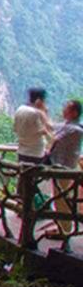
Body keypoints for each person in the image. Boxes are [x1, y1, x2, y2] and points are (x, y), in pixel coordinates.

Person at [40, 99, 83, 241]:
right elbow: (52, 127)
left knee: (63, 200)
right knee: (59, 199)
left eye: (67, 108)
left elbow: (53, 137)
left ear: (74, 112)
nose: (63, 110)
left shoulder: (75, 130)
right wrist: (43, 112)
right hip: (60, 168)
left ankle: (64, 231)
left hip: (66, 170)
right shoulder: (68, 126)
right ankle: (62, 228)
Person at [13, 87, 54, 164]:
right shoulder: (36, 113)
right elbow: (50, 128)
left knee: (23, 174)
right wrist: (44, 112)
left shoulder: (20, 109)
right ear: (39, 101)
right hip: (36, 153)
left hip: (22, 151)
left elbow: (15, 129)